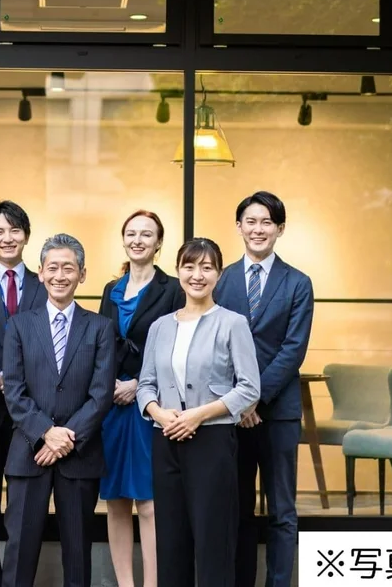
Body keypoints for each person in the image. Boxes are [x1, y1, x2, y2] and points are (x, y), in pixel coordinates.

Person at [137, 236, 261, 587]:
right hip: (166, 440)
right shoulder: (160, 326)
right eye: (189, 266)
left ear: (219, 274)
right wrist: (159, 413)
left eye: (207, 268)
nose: (197, 275)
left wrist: (199, 415)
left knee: (213, 540)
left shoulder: (232, 323)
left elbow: (249, 388)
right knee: (171, 540)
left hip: (212, 440)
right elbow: (145, 385)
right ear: (178, 271)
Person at [0, 233, 116, 587]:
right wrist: (46, 433)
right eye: (52, 267)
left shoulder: (100, 327)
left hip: (80, 456)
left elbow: (101, 394)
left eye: (69, 268)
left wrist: (65, 439)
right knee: (19, 552)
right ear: (40, 272)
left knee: (78, 554)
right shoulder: (19, 325)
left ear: (82, 274)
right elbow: (14, 390)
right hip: (28, 452)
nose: (60, 275)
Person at [215, 191, 315, 587]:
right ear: (239, 226)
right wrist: (238, 401)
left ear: (280, 229)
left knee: (282, 511)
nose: (259, 229)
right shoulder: (221, 280)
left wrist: (254, 398)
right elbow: (214, 346)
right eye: (251, 222)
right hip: (231, 416)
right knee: (236, 509)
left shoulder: (298, 283)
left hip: (278, 413)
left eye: (267, 222)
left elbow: (294, 349)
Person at [97, 210, 184, 587]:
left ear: (158, 243)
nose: (138, 240)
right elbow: (99, 344)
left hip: (151, 405)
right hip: (111, 406)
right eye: (131, 233)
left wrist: (137, 384)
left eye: (146, 234)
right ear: (123, 240)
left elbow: (175, 347)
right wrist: (110, 384)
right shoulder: (110, 289)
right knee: (116, 501)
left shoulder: (173, 289)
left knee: (149, 503)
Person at [0, 201, 48, 587]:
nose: (7, 238)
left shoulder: (44, 283)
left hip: (30, 412)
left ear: (26, 235)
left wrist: (17, 379)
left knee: (23, 508)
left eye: (14, 230)